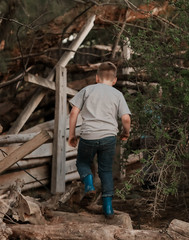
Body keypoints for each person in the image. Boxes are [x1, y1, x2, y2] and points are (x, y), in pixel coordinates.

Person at [68, 61, 131, 219]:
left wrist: (72, 135)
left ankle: (89, 184)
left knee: (82, 163)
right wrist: (126, 132)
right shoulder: (117, 94)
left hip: (89, 135)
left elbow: (74, 112)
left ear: (97, 78)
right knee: (106, 171)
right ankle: (108, 207)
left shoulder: (87, 90)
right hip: (109, 137)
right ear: (114, 80)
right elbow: (125, 118)